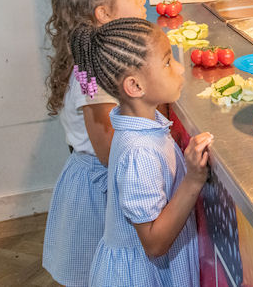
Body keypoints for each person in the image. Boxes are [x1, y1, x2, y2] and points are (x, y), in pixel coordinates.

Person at [71, 17, 213, 286]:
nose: (181, 69)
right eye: (168, 62)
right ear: (135, 86)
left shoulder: (144, 128)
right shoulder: (140, 152)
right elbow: (154, 242)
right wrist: (193, 179)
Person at [43, 0, 147, 287]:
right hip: (99, 189)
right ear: (104, 13)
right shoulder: (96, 75)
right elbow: (110, 152)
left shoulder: (96, 56)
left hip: (94, 180)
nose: (143, 0)